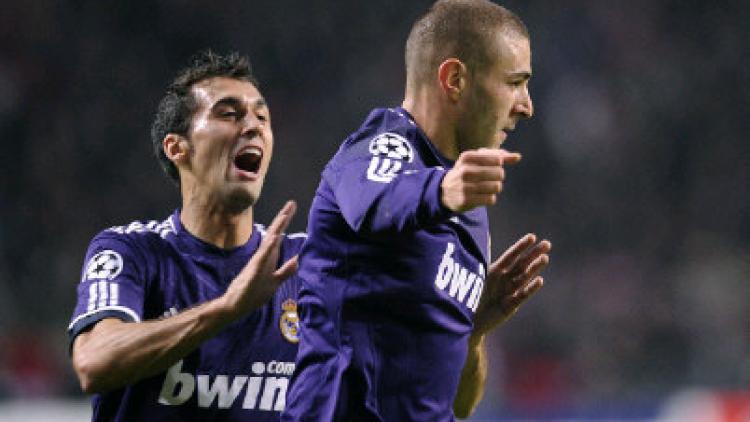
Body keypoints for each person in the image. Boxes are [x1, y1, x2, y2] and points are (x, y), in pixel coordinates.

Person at [283, 1, 552, 420]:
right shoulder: (384, 145)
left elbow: (459, 405)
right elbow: (370, 204)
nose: (526, 105)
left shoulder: (468, 210)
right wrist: (443, 190)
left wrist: (473, 331)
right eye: (514, 83)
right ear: (455, 79)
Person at [68, 51, 305, 421]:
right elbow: (94, 362)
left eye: (262, 117)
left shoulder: (301, 263)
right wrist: (226, 309)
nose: (253, 126)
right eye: (229, 114)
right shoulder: (133, 251)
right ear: (177, 147)